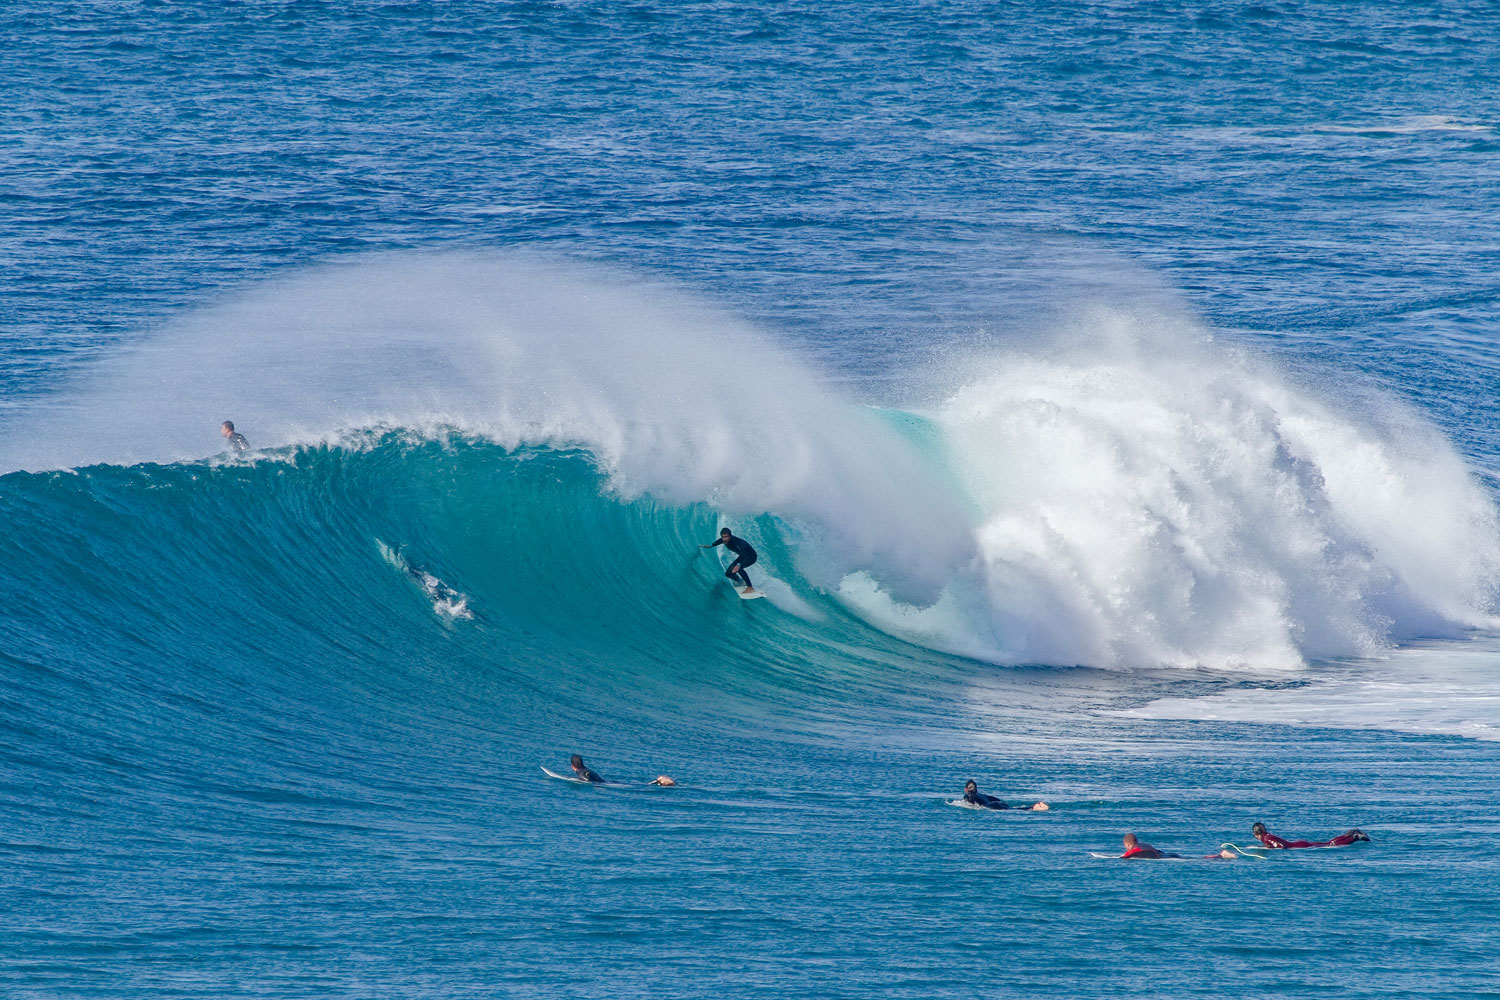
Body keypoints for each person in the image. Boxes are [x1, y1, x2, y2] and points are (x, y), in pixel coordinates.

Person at [701, 527, 758, 595]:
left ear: (730, 536)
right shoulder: (724, 540)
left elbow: (744, 554)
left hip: (751, 556)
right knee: (728, 574)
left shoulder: (736, 542)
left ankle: (750, 587)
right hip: (743, 556)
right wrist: (711, 545)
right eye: (723, 537)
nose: (724, 539)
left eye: (726, 537)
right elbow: (720, 541)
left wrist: (738, 564)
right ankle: (741, 581)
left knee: (739, 569)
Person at [1251, 822, 1370, 849]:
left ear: (1257, 833)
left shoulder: (1266, 838)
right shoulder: (1268, 836)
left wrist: (1268, 848)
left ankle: (1354, 837)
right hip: (1300, 843)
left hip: (1300, 846)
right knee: (1328, 843)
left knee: (1329, 845)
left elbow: (1280, 846)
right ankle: (1349, 834)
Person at [962, 779, 1048, 811]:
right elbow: (994, 798)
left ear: (966, 789)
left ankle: (1032, 808)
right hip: (997, 802)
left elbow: (972, 804)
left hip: (991, 805)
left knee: (1010, 810)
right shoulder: (981, 794)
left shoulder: (969, 796)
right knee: (1010, 808)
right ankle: (1031, 807)